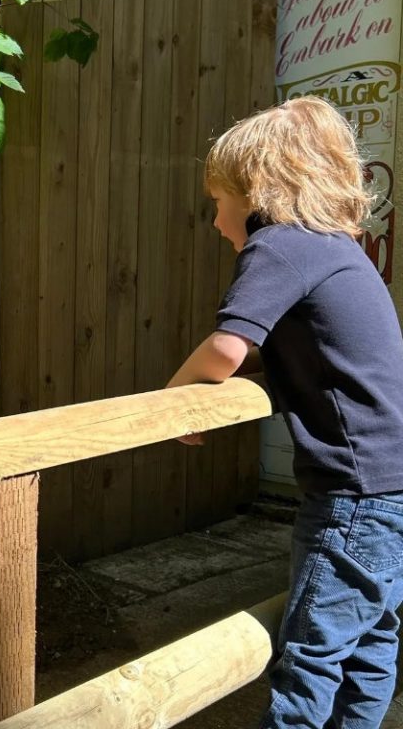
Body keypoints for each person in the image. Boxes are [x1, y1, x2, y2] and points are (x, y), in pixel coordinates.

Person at [166, 95, 403, 729]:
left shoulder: (279, 246)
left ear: (258, 192)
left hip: (352, 497)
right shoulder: (342, 251)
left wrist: (173, 398)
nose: (216, 223)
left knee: (310, 656)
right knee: (372, 646)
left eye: (219, 202)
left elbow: (226, 348)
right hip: (393, 486)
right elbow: (313, 353)